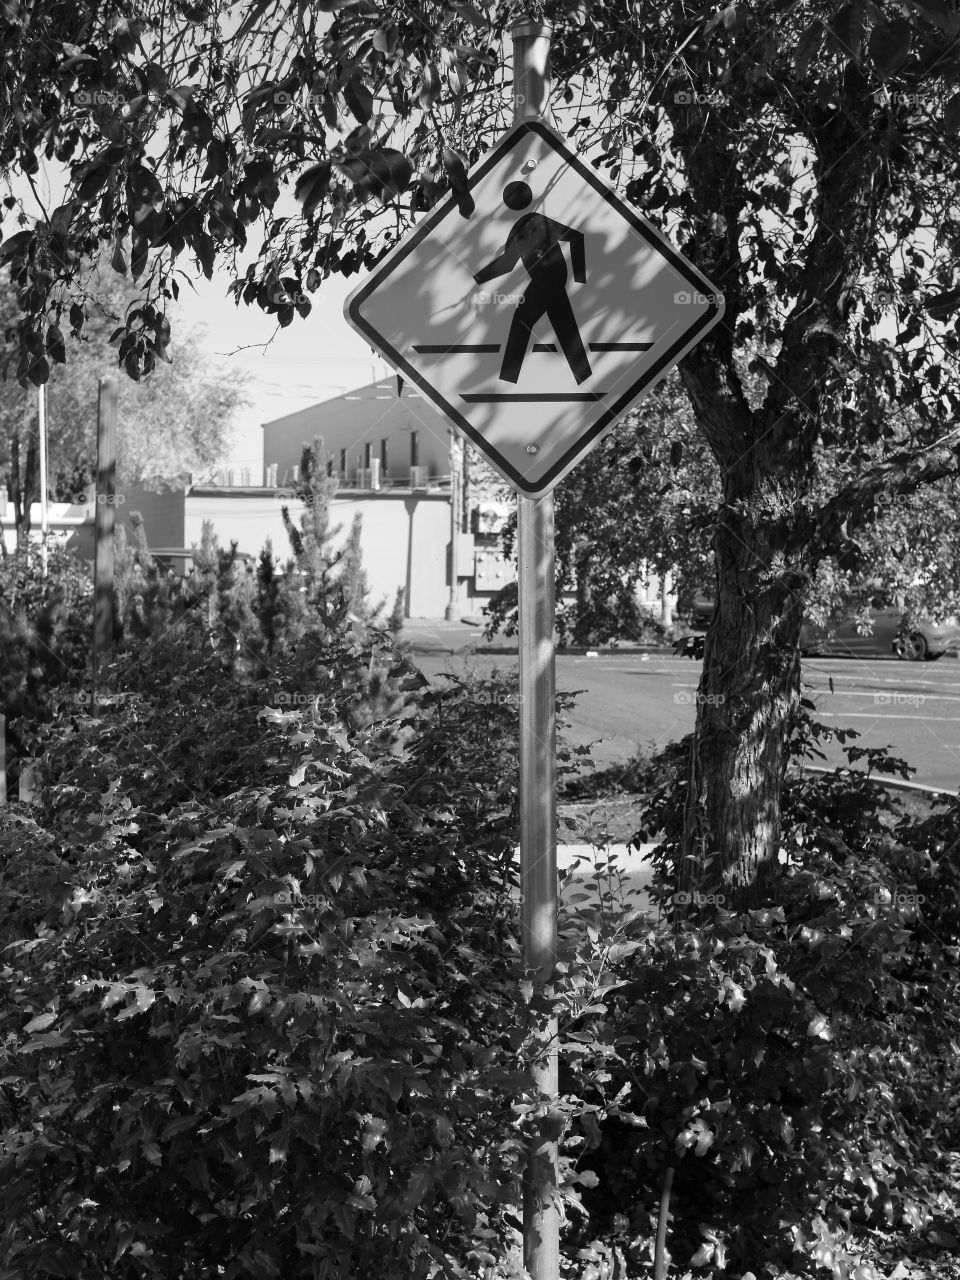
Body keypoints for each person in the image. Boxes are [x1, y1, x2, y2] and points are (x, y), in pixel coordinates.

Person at [473, 180, 592, 384]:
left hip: (549, 278)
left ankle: (507, 380)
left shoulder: (533, 222)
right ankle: (584, 376)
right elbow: (509, 264)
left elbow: (576, 237)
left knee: (522, 320)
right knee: (564, 325)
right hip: (550, 278)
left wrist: (580, 277)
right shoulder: (525, 226)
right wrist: (477, 278)